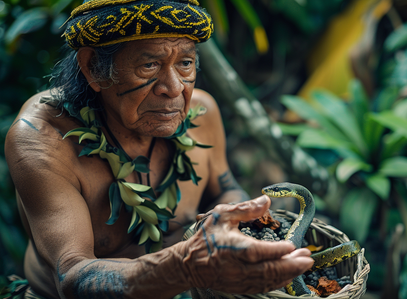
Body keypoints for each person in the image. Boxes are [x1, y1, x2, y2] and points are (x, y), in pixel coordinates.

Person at [4, 0, 314, 298]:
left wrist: (230, 223)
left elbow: (225, 190)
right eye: (149, 64)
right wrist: (185, 266)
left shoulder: (202, 114)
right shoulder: (42, 139)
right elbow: (72, 276)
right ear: (93, 68)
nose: (175, 88)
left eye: (186, 63)